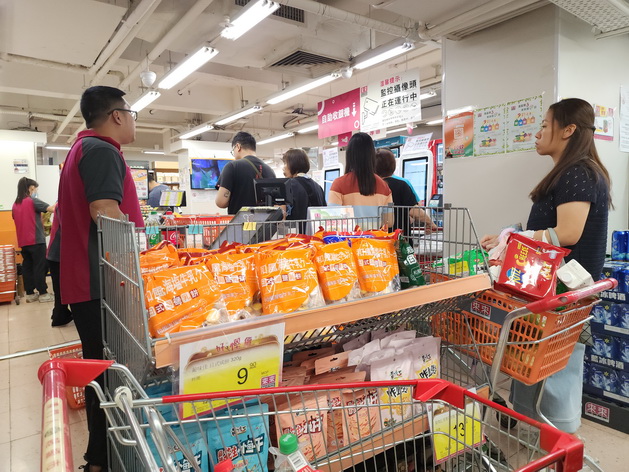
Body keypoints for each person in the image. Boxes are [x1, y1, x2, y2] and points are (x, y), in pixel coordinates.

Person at [480, 98, 612, 433]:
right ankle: (540, 429)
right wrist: (507, 237)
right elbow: (549, 229)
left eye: (544, 125)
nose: (537, 133)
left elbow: (567, 232)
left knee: (553, 367)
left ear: (568, 130)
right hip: (553, 292)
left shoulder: (577, 173)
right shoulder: (571, 172)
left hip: (563, 295)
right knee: (538, 363)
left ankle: (558, 438)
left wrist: (515, 238)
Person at [58, 85, 144, 472]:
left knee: (101, 373)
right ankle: (102, 461)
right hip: (102, 284)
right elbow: (105, 210)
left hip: (89, 281)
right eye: (131, 114)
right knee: (110, 375)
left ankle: (98, 459)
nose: (133, 121)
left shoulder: (82, 148)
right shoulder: (101, 150)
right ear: (117, 115)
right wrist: (136, 252)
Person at [328, 132, 393, 227]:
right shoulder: (384, 186)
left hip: (349, 236)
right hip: (374, 236)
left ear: (349, 155)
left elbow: (332, 219)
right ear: (372, 154)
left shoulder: (338, 184)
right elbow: (389, 222)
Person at [375, 148, 438, 237]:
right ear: (393, 166)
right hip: (399, 238)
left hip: (375, 239)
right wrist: (430, 223)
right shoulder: (401, 185)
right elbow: (414, 211)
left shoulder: (369, 187)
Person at [11, 177, 55, 303]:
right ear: (30, 188)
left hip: (23, 242)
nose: (35, 191)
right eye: (35, 189)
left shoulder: (15, 205)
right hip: (36, 240)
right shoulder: (32, 201)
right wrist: (60, 201)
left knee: (28, 267)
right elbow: (52, 209)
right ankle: (43, 293)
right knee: (40, 267)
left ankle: (30, 294)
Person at [215, 131, 275, 214]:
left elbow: (221, 202)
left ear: (238, 146)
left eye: (233, 151)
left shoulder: (232, 166)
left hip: (240, 220)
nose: (234, 154)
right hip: (264, 221)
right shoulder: (270, 170)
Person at [282, 148, 326, 222]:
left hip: (296, 229)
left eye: (285, 163)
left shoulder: (289, 185)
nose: (283, 168)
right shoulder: (318, 187)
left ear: (294, 164)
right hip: (316, 228)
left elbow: (282, 215)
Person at [47, 207, 72, 326]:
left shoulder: (59, 205)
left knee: (59, 288)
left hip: (55, 253)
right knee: (61, 288)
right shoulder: (62, 206)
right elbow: (68, 228)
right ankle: (59, 316)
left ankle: (59, 314)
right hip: (58, 254)